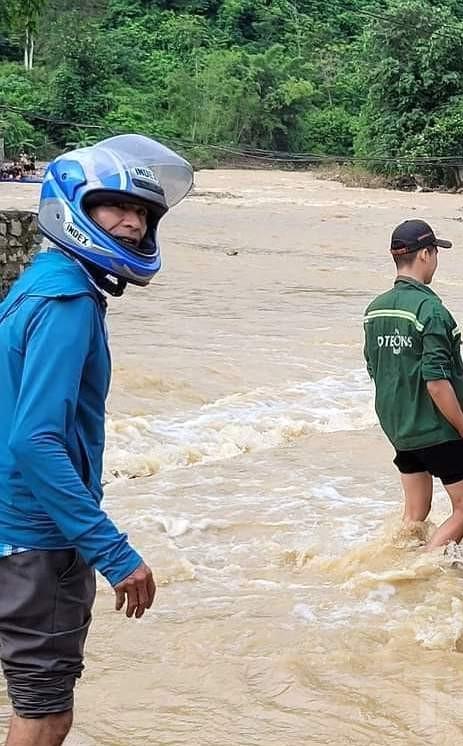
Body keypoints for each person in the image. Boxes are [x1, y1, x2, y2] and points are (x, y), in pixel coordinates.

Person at [0, 134, 194, 746]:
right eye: (117, 207)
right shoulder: (68, 302)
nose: (133, 224)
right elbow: (36, 442)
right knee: (45, 709)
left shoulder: (35, 283)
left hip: (11, 528)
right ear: (73, 207)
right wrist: (114, 554)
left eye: (143, 212)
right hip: (39, 538)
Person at [364, 220, 463, 551]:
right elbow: (436, 382)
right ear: (425, 254)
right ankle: (427, 569)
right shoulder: (431, 310)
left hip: (400, 430)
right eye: (435, 253)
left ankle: (398, 579)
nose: (436, 260)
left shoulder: (374, 310)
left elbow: (375, 368)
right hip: (439, 431)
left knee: (416, 515)